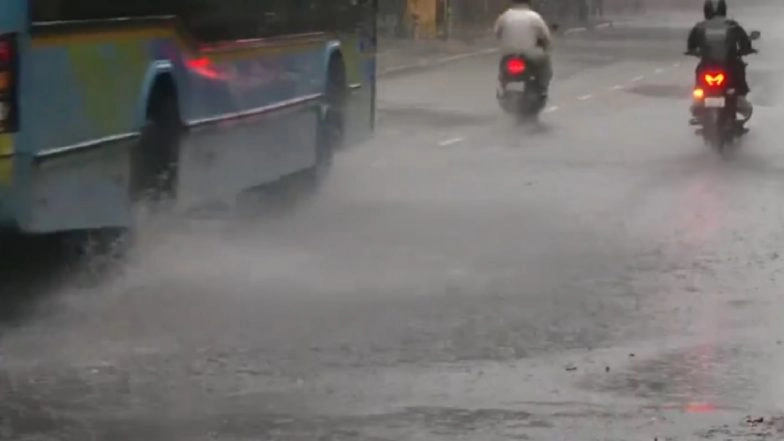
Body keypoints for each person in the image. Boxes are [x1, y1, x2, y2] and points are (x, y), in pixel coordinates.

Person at [687, 0, 755, 123]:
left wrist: (693, 51)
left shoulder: (700, 26)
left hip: (709, 65)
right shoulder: (732, 25)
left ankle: (700, 100)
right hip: (728, 64)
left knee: (700, 73)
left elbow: (691, 45)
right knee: (739, 71)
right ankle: (738, 97)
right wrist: (747, 49)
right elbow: (744, 42)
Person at [494, 0, 553, 98]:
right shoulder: (535, 17)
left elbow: (497, 32)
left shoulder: (505, 16)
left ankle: (501, 86)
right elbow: (546, 36)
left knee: (503, 67)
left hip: (508, 54)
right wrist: (546, 45)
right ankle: (543, 88)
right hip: (530, 54)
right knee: (545, 62)